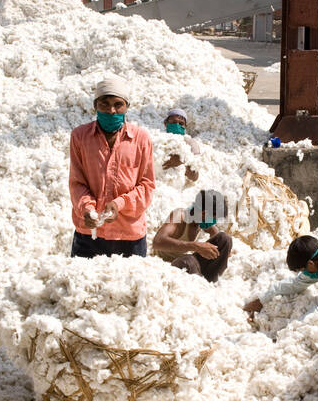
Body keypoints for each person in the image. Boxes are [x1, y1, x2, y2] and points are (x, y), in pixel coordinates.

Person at [69, 76, 155, 258]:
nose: (111, 110)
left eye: (118, 104)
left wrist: (120, 204)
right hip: (89, 235)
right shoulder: (80, 137)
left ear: (127, 107)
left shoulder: (141, 139)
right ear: (95, 106)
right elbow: (77, 182)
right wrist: (87, 209)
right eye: (104, 104)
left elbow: (147, 186)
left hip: (130, 236)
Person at [151, 189, 231, 282]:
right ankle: (201, 284)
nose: (214, 222)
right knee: (189, 261)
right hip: (168, 265)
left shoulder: (201, 220)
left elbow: (217, 236)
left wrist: (224, 250)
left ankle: (212, 280)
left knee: (225, 239)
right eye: (214, 218)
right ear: (204, 213)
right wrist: (197, 247)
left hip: (187, 264)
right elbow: (157, 242)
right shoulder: (178, 215)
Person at [162, 109, 200, 183]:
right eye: (173, 122)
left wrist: (181, 162)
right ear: (165, 123)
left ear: (185, 126)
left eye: (181, 123)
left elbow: (195, 176)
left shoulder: (190, 143)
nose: (177, 125)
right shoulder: (158, 140)